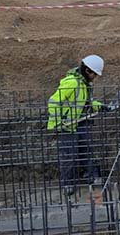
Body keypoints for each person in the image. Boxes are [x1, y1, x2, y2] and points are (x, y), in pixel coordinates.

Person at [47, 55, 107, 196]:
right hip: (67, 126)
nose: (95, 77)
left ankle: (92, 177)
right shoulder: (72, 83)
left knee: (86, 150)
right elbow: (53, 101)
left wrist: (100, 107)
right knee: (69, 156)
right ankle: (68, 184)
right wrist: (58, 122)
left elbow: (87, 102)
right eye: (95, 74)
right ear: (87, 70)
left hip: (80, 123)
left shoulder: (84, 84)